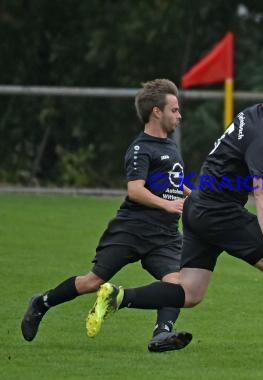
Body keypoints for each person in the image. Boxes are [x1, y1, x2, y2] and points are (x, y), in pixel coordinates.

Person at [84, 71, 263, 366]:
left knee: (191, 292)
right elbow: (261, 196)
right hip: (220, 213)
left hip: (198, 208)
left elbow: (240, 173)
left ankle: (117, 296)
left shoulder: (249, 115)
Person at [21, 78, 193, 352]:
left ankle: (162, 333)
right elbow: (135, 190)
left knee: (179, 284)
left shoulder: (171, 147)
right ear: (156, 112)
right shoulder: (140, 149)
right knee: (93, 282)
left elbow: (172, 181)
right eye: (174, 110)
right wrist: (166, 205)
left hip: (164, 235)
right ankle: (42, 302)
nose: (179, 115)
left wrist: (190, 195)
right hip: (132, 230)